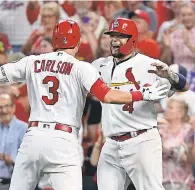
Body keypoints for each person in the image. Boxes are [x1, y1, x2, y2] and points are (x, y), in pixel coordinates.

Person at [0, 19, 168, 190]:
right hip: (63, 140)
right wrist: (141, 94)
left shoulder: (31, 61)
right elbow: (107, 96)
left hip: (33, 137)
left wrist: (8, 87)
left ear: (54, 41)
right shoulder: (81, 67)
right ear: (78, 43)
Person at [91, 18, 189, 190]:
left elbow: (184, 86)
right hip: (111, 143)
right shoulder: (100, 65)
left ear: (133, 39)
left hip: (141, 141)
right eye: (112, 35)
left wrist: (170, 75)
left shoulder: (148, 65)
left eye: (120, 36)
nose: (114, 40)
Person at [0, 93, 28, 190]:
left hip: (13, 182)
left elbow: (29, 160)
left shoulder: (24, 129)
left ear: (13, 108)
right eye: (0, 107)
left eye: (7, 106)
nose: (3, 111)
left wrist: (9, 159)